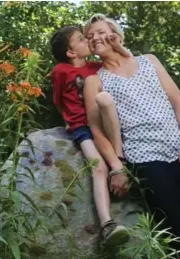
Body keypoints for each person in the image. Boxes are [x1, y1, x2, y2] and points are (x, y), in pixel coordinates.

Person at [83, 14, 180, 259]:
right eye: (89, 36)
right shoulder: (94, 81)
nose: (94, 38)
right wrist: (117, 167)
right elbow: (97, 131)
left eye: (99, 31)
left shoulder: (149, 61)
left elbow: (178, 101)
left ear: (115, 34)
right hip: (147, 161)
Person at [50, 25, 130, 246]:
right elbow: (58, 100)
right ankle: (107, 225)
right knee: (98, 167)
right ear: (70, 52)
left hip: (102, 123)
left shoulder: (96, 67)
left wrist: (117, 45)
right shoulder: (61, 71)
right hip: (81, 127)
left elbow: (125, 62)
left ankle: (122, 171)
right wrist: (67, 120)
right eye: (81, 39)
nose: (88, 40)